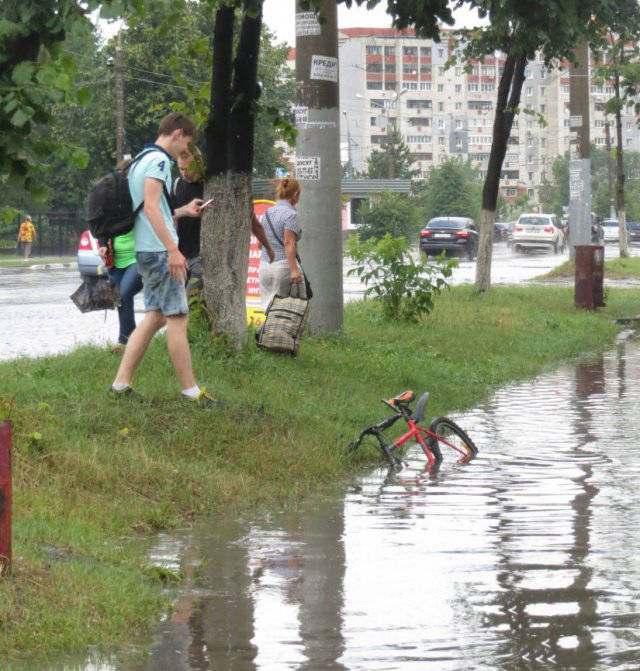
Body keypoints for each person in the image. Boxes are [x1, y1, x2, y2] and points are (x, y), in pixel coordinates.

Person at [109, 111, 219, 407]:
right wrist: (173, 249)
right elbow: (151, 210)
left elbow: (150, 208)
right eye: (187, 144)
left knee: (155, 316)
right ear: (178, 133)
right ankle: (191, 392)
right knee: (178, 318)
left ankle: (120, 385)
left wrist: (185, 212)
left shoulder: (140, 160)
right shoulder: (158, 161)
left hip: (147, 249)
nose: (186, 152)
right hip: (159, 251)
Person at [172, 147, 275, 298]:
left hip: (203, 258)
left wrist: (267, 246)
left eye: (188, 169)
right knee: (178, 309)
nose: (184, 174)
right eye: (180, 169)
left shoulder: (214, 186)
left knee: (189, 303)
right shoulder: (175, 185)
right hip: (180, 255)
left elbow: (252, 220)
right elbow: (169, 216)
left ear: (199, 164)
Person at [97, 157, 144, 353]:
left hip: (138, 257)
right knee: (119, 299)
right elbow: (102, 226)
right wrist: (102, 245)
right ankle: (129, 341)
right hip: (116, 259)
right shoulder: (112, 200)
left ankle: (125, 341)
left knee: (123, 294)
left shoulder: (141, 197)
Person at [259, 178, 305, 310]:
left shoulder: (267, 213)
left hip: (264, 267)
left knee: (268, 308)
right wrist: (294, 270)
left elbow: (260, 244)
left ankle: (266, 330)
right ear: (295, 194)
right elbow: (288, 242)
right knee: (283, 310)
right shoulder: (291, 215)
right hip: (282, 267)